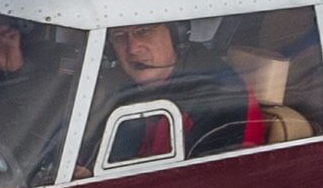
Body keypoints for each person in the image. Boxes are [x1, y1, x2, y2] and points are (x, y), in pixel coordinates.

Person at [103, 21, 261, 158]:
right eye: (119, 36)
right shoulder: (111, 87)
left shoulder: (218, 97)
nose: (133, 49)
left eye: (144, 31)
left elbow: (211, 181)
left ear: (177, 34)